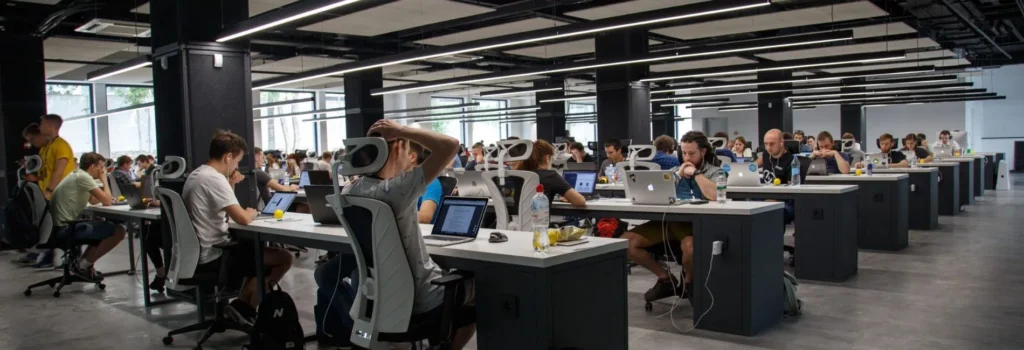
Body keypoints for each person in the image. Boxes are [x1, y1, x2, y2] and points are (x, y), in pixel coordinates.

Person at [329, 119, 475, 349]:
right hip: (424, 298)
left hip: (377, 299)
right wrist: (400, 130)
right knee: (485, 287)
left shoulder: (349, 191)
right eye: (407, 149)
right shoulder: (396, 189)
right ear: (398, 148)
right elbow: (450, 145)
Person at [183, 131, 293, 326]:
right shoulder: (214, 179)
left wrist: (231, 183)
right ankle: (244, 307)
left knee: (253, 251)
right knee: (284, 257)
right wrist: (251, 212)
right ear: (228, 157)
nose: (236, 167)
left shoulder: (198, 174)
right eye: (237, 161)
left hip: (199, 253)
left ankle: (242, 307)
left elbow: (222, 205)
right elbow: (242, 218)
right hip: (215, 255)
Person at [622, 131, 723, 305]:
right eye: (684, 153)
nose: (687, 157)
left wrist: (696, 173)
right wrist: (677, 175)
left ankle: (689, 281)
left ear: (703, 152)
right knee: (626, 242)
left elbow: (714, 195)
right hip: (669, 223)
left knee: (690, 247)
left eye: (691, 153)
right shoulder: (674, 171)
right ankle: (665, 278)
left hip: (696, 225)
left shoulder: (716, 171)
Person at [51, 152, 127, 281]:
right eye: (101, 167)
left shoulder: (77, 175)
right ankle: (83, 265)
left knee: (101, 227)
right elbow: (107, 201)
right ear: (93, 167)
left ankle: (82, 265)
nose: (103, 170)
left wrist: (103, 196)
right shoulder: (84, 178)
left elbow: (92, 200)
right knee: (119, 231)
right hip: (66, 228)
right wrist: (104, 180)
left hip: (61, 226)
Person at [515, 140, 586, 207]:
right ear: (547, 158)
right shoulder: (550, 176)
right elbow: (580, 201)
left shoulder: (518, 175)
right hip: (539, 219)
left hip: (516, 219)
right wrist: (569, 197)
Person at [38, 114, 74, 200]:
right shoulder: (46, 147)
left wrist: (49, 190)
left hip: (60, 195)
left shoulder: (61, 145)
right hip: (49, 194)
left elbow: (59, 170)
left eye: (42, 124)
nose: (40, 127)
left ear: (49, 126)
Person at [409, 142, 445, 224]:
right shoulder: (400, 181)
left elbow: (425, 217)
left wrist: (392, 215)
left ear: (413, 157)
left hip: (420, 231)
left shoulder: (431, 182)